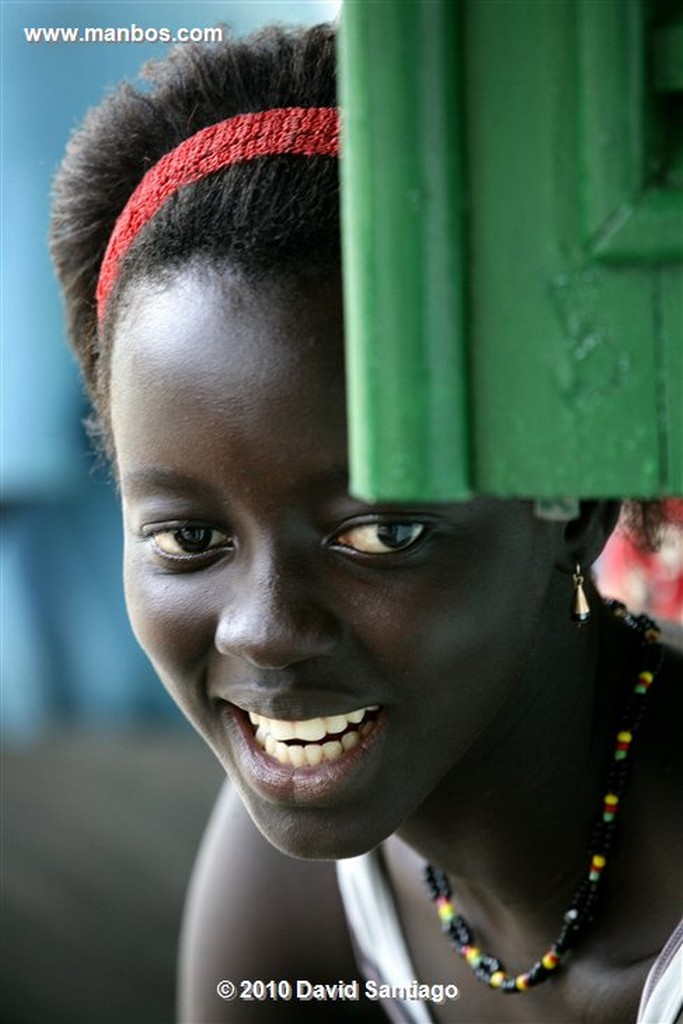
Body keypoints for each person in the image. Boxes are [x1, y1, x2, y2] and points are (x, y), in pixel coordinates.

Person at [50, 23, 682, 1024]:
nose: (262, 631)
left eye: (379, 534)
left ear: (574, 502)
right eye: (187, 540)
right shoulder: (297, 895)